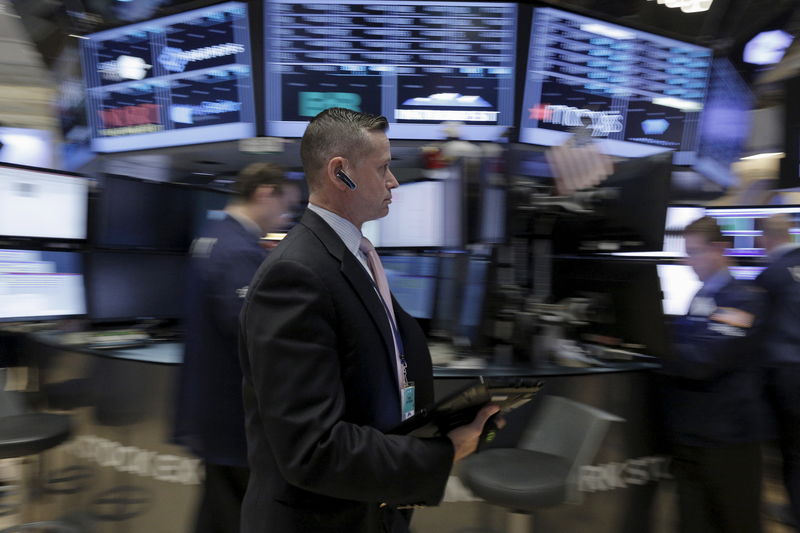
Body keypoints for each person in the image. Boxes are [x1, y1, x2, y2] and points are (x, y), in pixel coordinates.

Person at [238, 108, 498, 533]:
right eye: (383, 168)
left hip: (367, 506)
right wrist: (442, 452)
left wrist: (443, 424)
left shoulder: (353, 257)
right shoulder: (296, 274)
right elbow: (313, 448)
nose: (393, 181)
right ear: (341, 173)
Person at [173, 162, 299, 533]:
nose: (285, 216)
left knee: (219, 508)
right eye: (285, 205)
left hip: (215, 411)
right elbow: (255, 335)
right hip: (235, 418)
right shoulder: (238, 252)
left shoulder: (211, 236)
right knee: (238, 512)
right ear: (264, 193)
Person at [659, 216, 765, 533]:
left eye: (693, 252)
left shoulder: (744, 299)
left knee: (736, 522)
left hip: (728, 441)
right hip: (693, 435)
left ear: (719, 249)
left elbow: (704, 361)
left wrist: (656, 347)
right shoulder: (700, 297)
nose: (687, 261)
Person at [755, 213, 800, 528]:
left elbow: (753, 330)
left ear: (765, 239)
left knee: (792, 450)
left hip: (784, 373)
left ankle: (795, 514)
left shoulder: (769, 276)